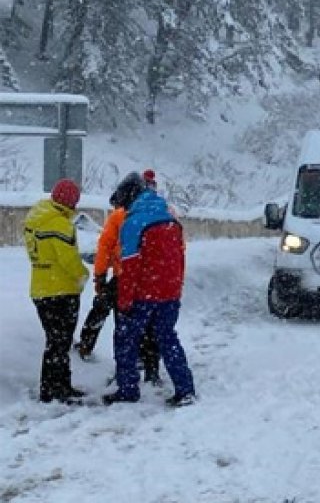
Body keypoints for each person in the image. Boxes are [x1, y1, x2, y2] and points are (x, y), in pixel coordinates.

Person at [103, 173, 197, 407]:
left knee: (126, 339)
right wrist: (176, 291)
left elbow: (130, 266)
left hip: (143, 294)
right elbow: (180, 259)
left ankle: (128, 388)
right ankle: (185, 389)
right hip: (169, 294)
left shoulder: (134, 223)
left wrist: (125, 300)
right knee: (167, 339)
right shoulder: (171, 220)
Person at [74, 188, 162, 384]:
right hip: (150, 279)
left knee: (113, 317)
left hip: (124, 276)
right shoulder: (160, 215)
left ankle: (90, 348)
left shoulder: (119, 216)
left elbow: (105, 247)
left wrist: (100, 276)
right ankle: (150, 368)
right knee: (147, 322)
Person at [23, 178, 89, 403]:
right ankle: (55, 390)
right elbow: (68, 259)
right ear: (71, 202)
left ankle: (54, 387)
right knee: (60, 342)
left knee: (54, 341)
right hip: (61, 290)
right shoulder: (59, 224)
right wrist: (83, 275)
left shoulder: (37, 218)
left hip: (40, 288)